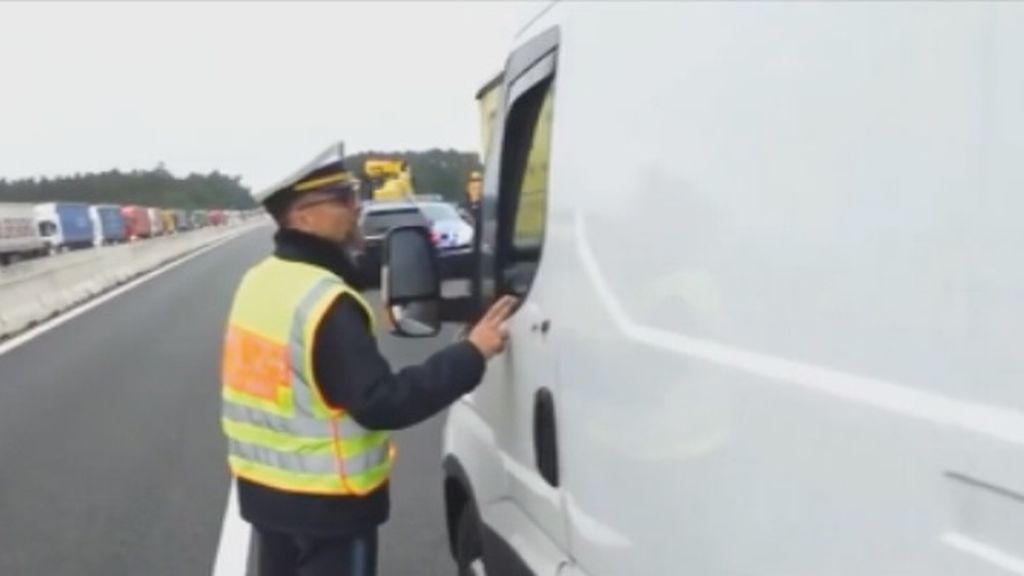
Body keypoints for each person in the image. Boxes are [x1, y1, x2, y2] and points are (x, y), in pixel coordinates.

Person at [221, 142, 515, 576]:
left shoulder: (260, 281)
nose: (356, 207)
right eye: (342, 198)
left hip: (266, 496)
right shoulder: (326, 302)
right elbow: (383, 402)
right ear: (303, 216)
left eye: (353, 192)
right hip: (328, 507)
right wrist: (472, 352)